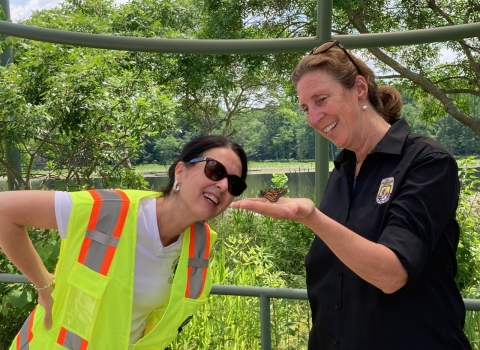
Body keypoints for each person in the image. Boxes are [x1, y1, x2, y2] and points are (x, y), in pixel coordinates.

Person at [232, 40, 471, 349]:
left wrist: (313, 218)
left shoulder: (426, 161)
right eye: (306, 107)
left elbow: (392, 274)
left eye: (321, 99)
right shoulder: (343, 171)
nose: (314, 117)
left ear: (359, 88)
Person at [0, 135, 248, 349]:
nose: (223, 184)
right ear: (181, 171)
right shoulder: (107, 211)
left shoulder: (199, 245)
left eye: (234, 184)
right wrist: (43, 286)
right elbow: (4, 211)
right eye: (214, 170)